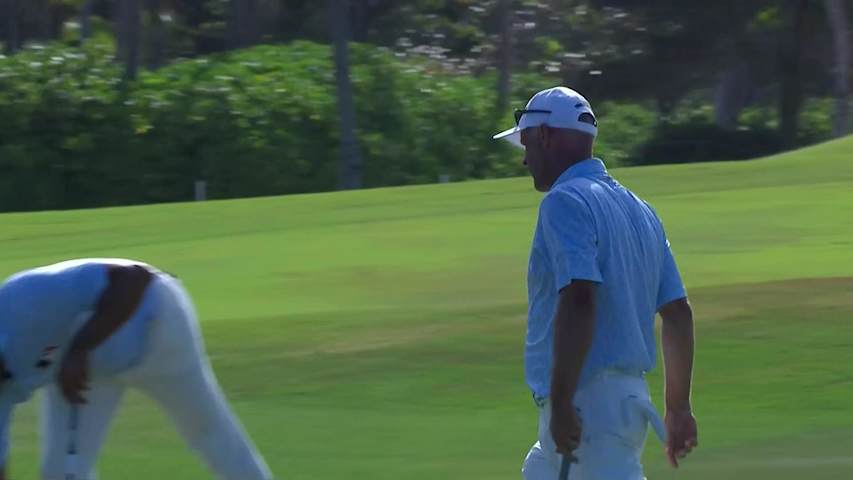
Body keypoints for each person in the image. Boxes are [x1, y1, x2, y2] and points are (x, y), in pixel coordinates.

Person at [493, 87, 698, 479]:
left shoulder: (564, 201)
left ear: (547, 136)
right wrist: (677, 407)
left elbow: (579, 299)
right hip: (621, 405)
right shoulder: (641, 210)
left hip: (587, 412)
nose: (524, 158)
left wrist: (563, 398)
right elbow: (677, 313)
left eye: (527, 142)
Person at [0, 258, 272, 480]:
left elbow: (133, 279)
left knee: (211, 435)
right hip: (89, 367)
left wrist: (80, 349)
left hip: (158, 325)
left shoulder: (22, 298)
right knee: (59, 472)